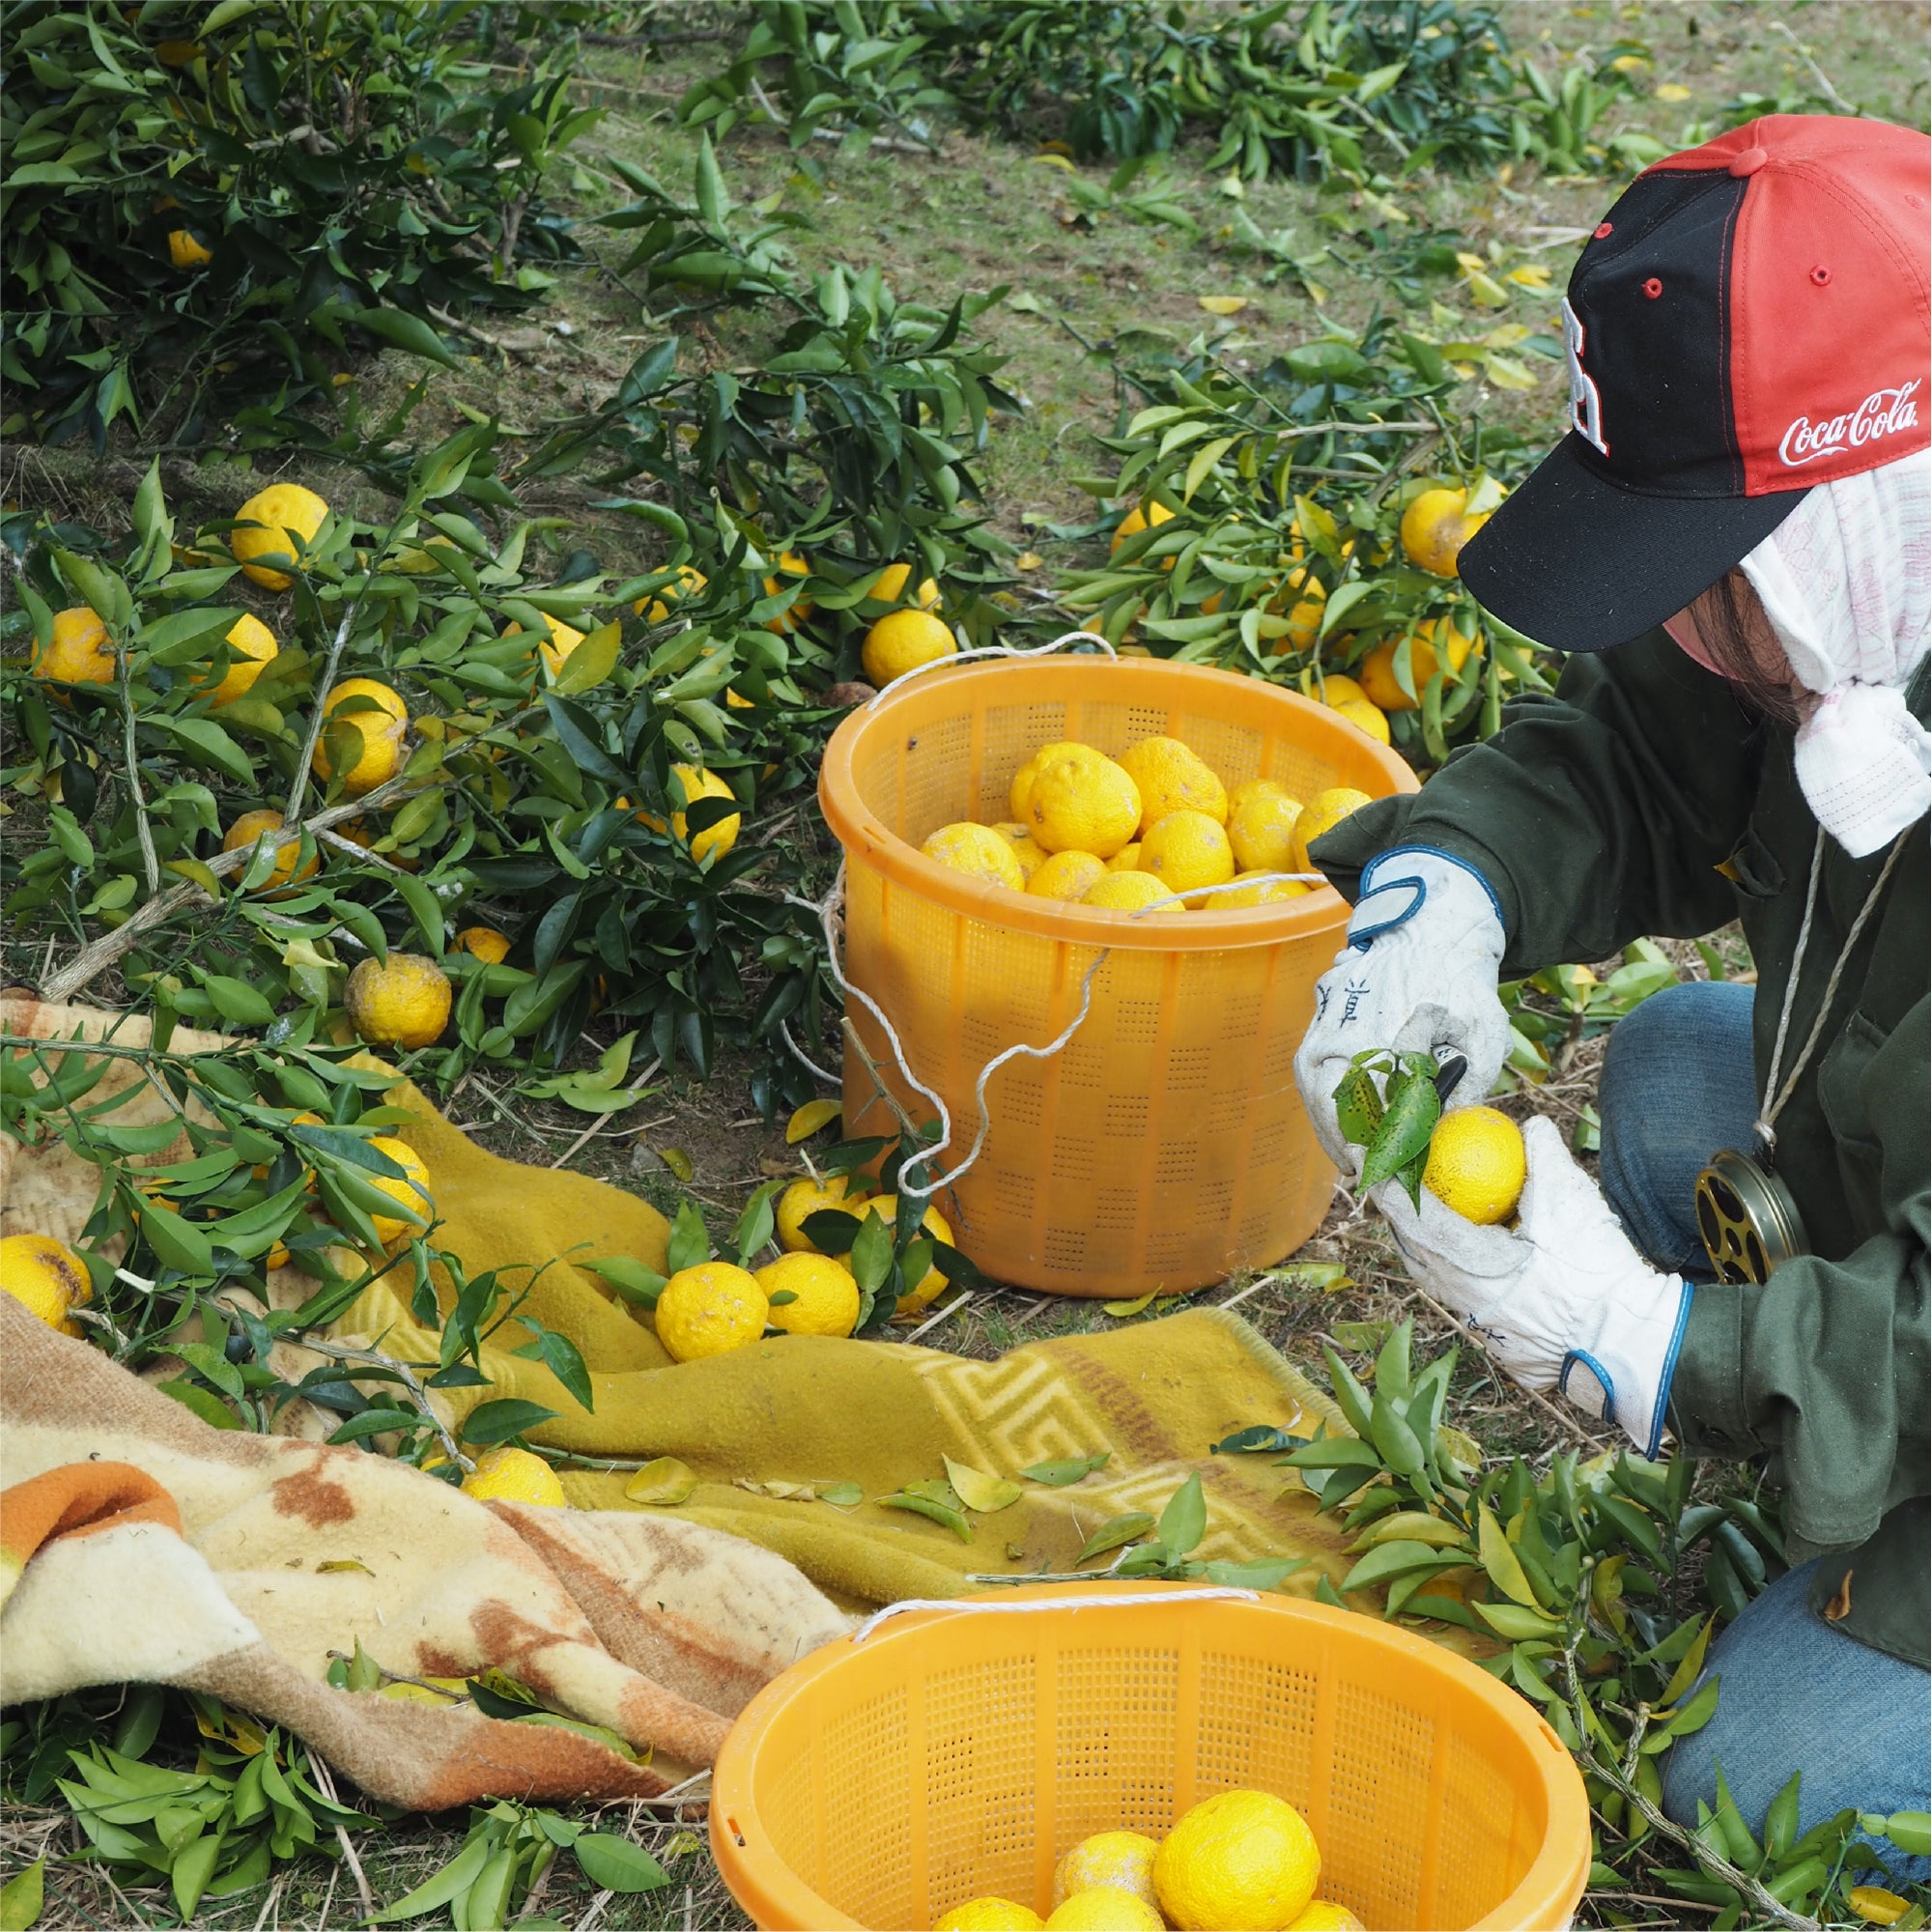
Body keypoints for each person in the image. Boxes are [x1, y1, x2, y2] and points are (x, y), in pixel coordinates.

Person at [1293, 115, 1928, 1876]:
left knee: (1753, 1787)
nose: (1688, 632)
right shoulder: (1864, 631)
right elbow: (1652, 763)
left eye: (1713, 581)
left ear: (1862, 524)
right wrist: (1448, 885)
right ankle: (1846, 1456)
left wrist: (1665, 1358)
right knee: (1668, 1082)